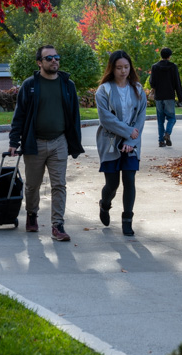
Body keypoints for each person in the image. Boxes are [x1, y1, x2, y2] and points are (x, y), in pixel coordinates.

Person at [8, 45, 84, 242]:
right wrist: (14, 142)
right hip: (35, 143)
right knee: (33, 185)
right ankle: (32, 214)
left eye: (56, 57)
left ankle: (57, 225)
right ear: (39, 62)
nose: (54, 61)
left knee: (59, 185)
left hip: (59, 142)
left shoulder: (68, 85)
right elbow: (20, 115)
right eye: (48, 58)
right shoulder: (30, 85)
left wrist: (74, 141)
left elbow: (74, 116)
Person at [95, 50, 148, 236]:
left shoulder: (138, 89)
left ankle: (127, 220)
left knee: (129, 180)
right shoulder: (104, 90)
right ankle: (105, 204)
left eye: (126, 67)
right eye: (119, 68)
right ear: (112, 68)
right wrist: (126, 132)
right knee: (112, 184)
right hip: (109, 140)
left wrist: (130, 139)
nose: (123, 71)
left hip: (132, 142)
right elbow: (105, 119)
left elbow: (141, 118)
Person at [149, 47, 182, 147]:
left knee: (160, 120)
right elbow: (177, 82)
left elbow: (152, 83)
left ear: (161, 55)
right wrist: (180, 98)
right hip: (169, 96)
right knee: (172, 118)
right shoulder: (173, 67)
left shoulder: (154, 67)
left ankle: (161, 141)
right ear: (169, 56)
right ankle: (167, 133)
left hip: (159, 96)